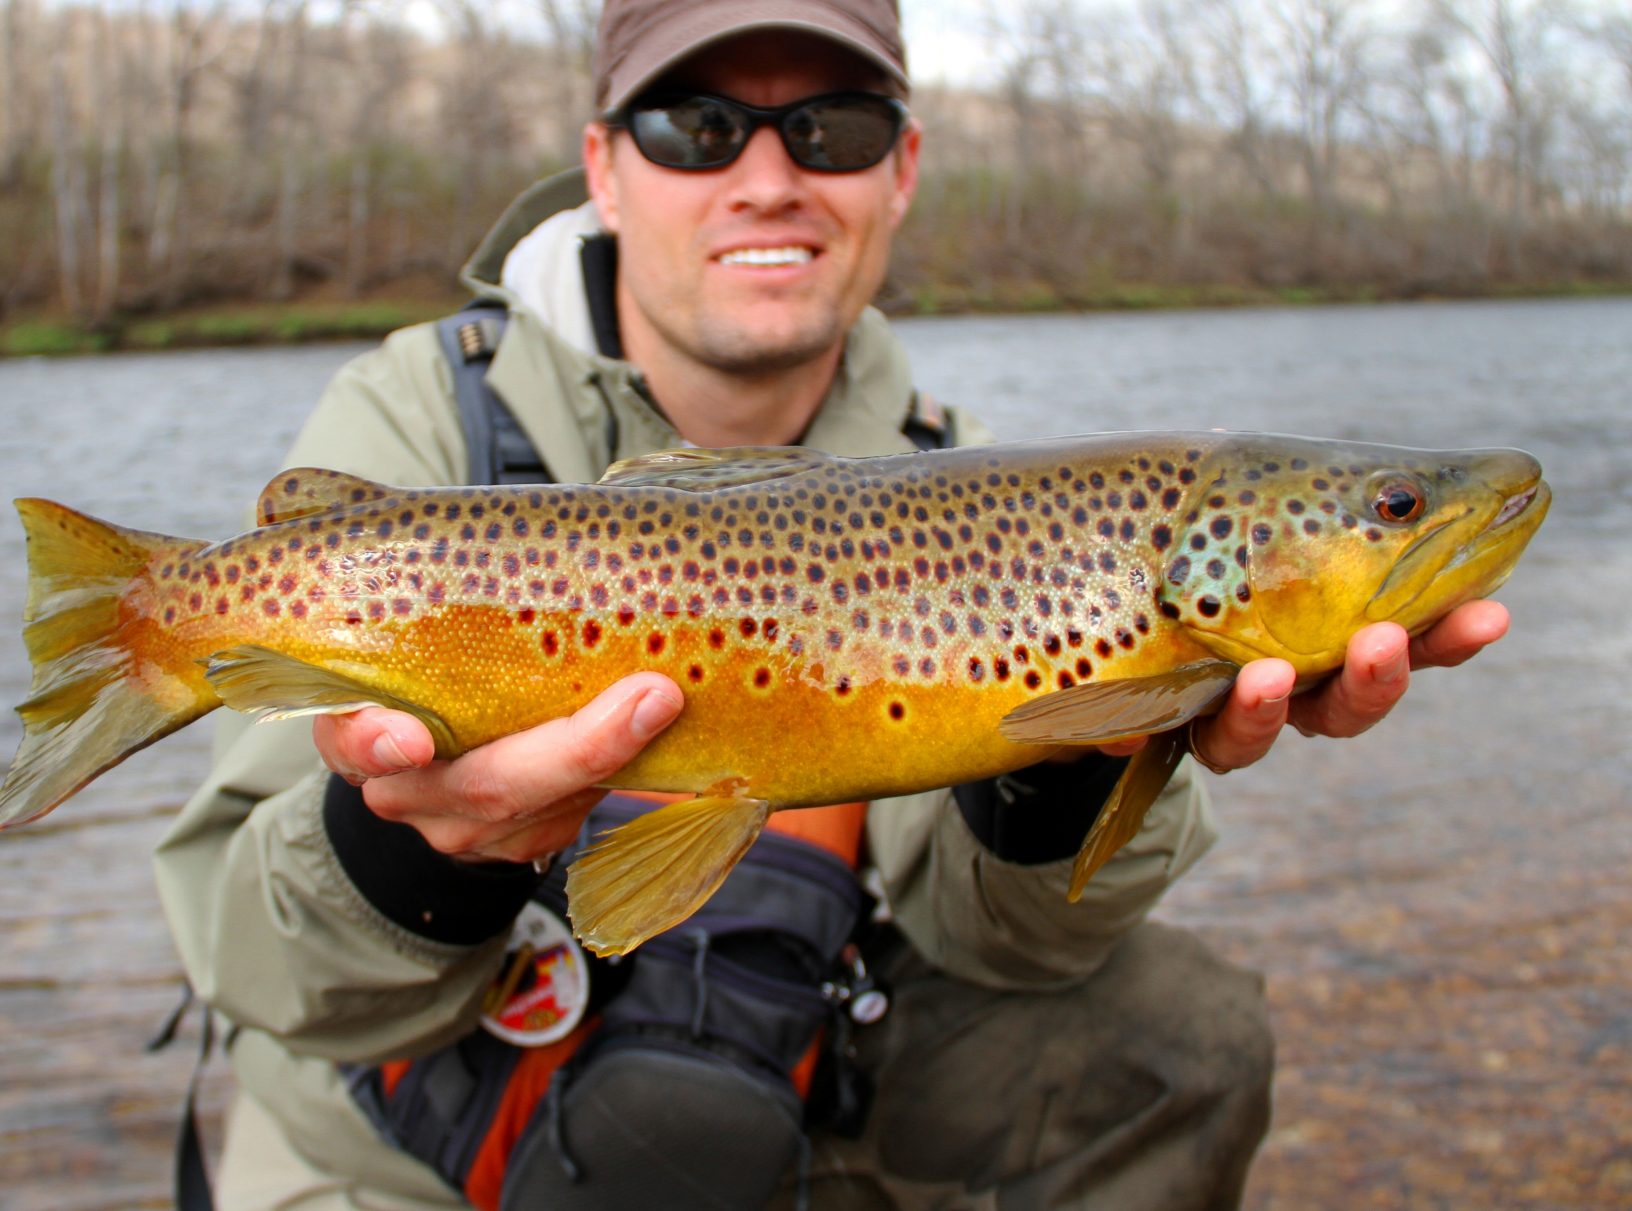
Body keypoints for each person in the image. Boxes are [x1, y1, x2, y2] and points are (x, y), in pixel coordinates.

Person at [153, 2, 1514, 1208]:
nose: (766, 178)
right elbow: (255, 968)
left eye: (833, 126)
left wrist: (1061, 767)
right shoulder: (414, 426)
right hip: (435, 1099)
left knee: (1185, 1033)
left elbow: (1011, 947)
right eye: (696, 126)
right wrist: (417, 847)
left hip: (806, 1032)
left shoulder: (975, 480)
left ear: (901, 170)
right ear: (603, 168)